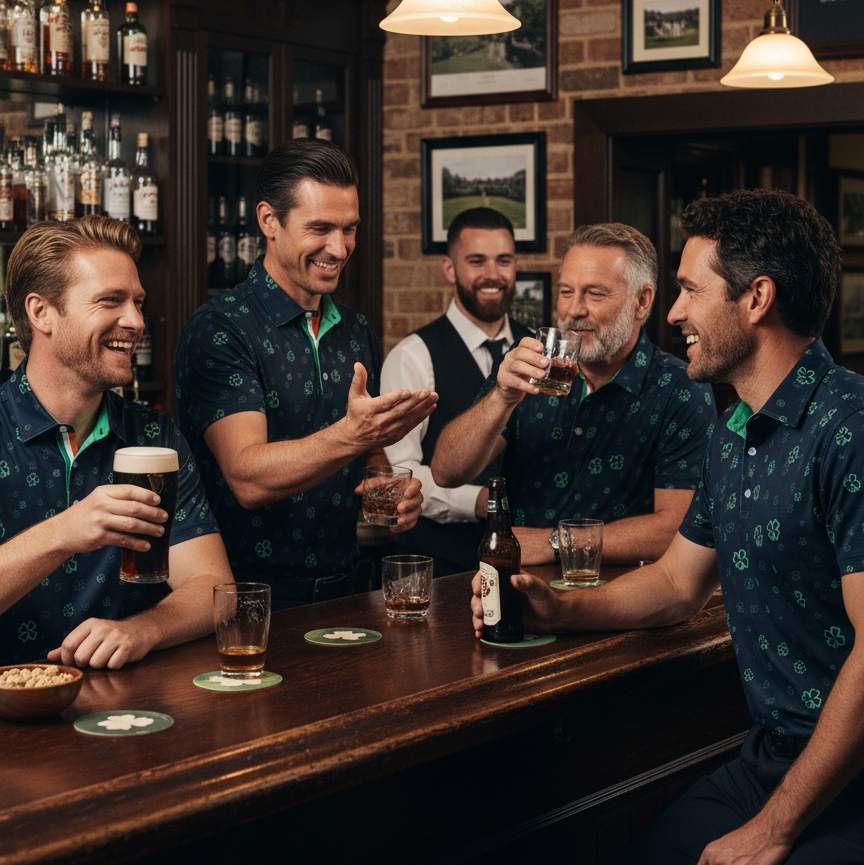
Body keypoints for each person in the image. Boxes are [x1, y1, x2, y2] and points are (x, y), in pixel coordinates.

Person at [472, 189, 864, 864]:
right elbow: (678, 584)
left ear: (757, 298)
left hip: (847, 775)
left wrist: (773, 829)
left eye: (690, 290)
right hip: (771, 761)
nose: (675, 312)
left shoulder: (849, 428)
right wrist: (560, 609)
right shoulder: (733, 428)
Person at [175, 139, 436, 610]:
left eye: (349, 229)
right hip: (247, 599)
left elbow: (367, 447)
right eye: (320, 229)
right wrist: (355, 435)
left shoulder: (355, 328)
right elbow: (247, 478)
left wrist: (388, 491)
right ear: (269, 221)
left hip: (349, 587)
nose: (339, 248)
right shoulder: (221, 329)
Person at [0, 216, 233, 669]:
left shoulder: (156, 437)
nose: (136, 321)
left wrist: (143, 630)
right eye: (111, 301)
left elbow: (213, 588)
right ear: (41, 312)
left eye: (138, 302)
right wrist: (64, 532)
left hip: (126, 700)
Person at [432, 223, 715, 565]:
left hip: (619, 590)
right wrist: (501, 398)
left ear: (641, 302)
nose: (574, 310)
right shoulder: (529, 364)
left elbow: (677, 528)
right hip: (519, 585)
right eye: (567, 292)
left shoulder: (680, 387)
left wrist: (554, 542)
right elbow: (446, 473)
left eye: (594, 294)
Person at [381, 207, 534, 577]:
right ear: (450, 269)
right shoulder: (412, 356)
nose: (493, 274)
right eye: (477, 261)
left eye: (503, 260)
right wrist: (480, 501)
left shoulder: (535, 349)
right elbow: (403, 474)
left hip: (528, 562)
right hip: (440, 567)